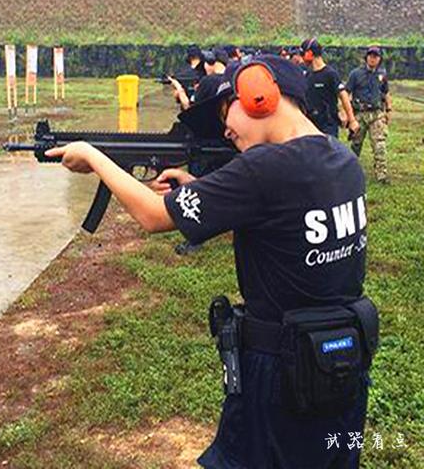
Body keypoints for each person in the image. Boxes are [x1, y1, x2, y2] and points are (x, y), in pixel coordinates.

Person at [46, 55, 376, 468]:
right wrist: (203, 188)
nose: (226, 129)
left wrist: (94, 157)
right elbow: (283, 212)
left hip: (279, 375)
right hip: (340, 367)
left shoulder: (262, 169)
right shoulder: (341, 161)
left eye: (226, 110)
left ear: (261, 94)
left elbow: (153, 215)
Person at [346, 46, 392, 183]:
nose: (373, 58)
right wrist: (348, 115)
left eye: (376, 56)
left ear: (379, 59)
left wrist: (389, 110)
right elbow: (346, 93)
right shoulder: (355, 74)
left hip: (376, 114)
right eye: (371, 55)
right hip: (360, 114)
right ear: (366, 57)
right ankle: (349, 171)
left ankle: (381, 175)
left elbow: (386, 92)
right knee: (356, 144)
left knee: (380, 145)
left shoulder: (382, 74)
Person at [301, 38, 359, 137]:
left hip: (328, 125)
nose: (301, 58)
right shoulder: (307, 75)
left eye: (303, 54)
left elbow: (343, 95)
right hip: (310, 124)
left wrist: (352, 120)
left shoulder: (330, 74)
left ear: (310, 53)